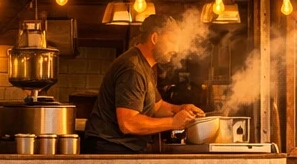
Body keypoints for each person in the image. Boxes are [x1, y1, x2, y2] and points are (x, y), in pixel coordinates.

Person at [82, 13, 205, 154]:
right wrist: (173, 123)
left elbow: (156, 107)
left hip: (121, 147)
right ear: (154, 38)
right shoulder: (133, 69)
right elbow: (128, 123)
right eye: (172, 41)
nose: (176, 49)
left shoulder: (146, 66)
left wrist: (181, 109)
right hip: (110, 148)